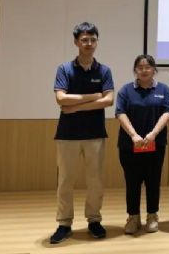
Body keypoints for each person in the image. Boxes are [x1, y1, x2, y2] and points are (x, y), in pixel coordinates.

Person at [50, 22, 114, 244]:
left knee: (95, 181)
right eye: (84, 40)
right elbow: (61, 98)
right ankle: (64, 223)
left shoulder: (104, 70)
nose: (89, 44)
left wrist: (76, 107)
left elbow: (109, 100)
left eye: (93, 40)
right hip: (67, 134)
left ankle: (94, 220)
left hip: (95, 133)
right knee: (65, 181)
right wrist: (93, 96)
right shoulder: (64, 69)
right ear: (76, 42)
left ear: (97, 42)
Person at [115, 55, 169, 234]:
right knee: (132, 182)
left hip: (155, 144)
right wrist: (133, 135)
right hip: (130, 145)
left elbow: (167, 112)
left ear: (154, 69)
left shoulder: (163, 89)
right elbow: (120, 113)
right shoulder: (126, 90)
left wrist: (153, 134)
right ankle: (133, 217)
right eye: (140, 67)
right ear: (135, 70)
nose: (144, 70)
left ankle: (152, 216)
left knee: (153, 181)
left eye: (148, 67)